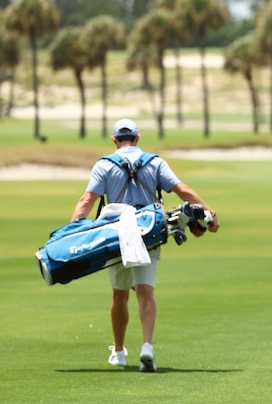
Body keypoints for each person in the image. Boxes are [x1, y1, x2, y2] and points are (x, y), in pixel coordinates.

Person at [70, 118, 220, 372]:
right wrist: (209, 211)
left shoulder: (104, 165)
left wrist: (73, 230)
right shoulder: (155, 162)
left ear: (114, 139)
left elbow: (87, 200)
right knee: (145, 292)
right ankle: (147, 346)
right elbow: (181, 190)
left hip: (115, 234)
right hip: (148, 232)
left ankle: (118, 352)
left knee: (119, 294)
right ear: (138, 138)